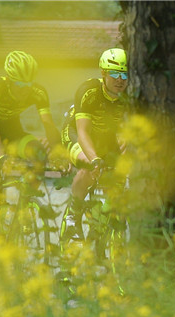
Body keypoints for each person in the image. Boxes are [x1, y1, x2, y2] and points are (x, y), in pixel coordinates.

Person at [0, 50, 63, 248]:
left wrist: (58, 151)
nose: (25, 90)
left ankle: (25, 205)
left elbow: (48, 125)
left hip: (12, 132)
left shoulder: (38, 92)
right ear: (10, 79)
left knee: (39, 152)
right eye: (20, 84)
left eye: (28, 85)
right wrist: (1, 156)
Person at [60, 48, 129, 238]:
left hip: (105, 138)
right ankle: (73, 214)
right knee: (89, 166)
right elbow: (83, 133)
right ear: (103, 73)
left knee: (116, 182)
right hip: (76, 132)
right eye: (114, 74)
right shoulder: (89, 91)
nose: (120, 80)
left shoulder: (129, 97)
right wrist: (95, 159)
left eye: (124, 74)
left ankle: (102, 233)